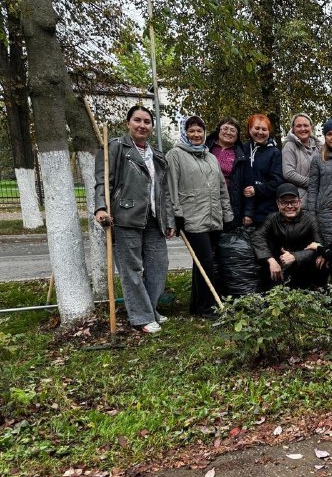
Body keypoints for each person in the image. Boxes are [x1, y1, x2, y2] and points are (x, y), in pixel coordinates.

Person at [93, 105, 175, 333]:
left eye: (147, 121)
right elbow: (103, 181)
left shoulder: (157, 155)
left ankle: (151, 309)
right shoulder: (116, 148)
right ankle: (141, 317)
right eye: (137, 120)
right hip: (124, 216)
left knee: (159, 265)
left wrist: (169, 221)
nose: (142, 125)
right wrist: (100, 207)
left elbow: (163, 191)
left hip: (153, 219)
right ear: (128, 123)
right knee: (131, 269)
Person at [166, 115, 234, 318]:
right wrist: (176, 215)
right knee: (204, 260)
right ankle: (208, 307)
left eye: (199, 131)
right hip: (192, 218)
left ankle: (197, 305)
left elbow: (222, 188)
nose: (196, 134)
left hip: (213, 218)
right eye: (192, 131)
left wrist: (227, 215)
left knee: (202, 262)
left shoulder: (210, 156)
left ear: (205, 133)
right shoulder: (175, 155)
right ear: (185, 133)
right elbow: (171, 188)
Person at [250, 183, 324, 289]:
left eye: (293, 202)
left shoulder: (310, 220)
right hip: (278, 270)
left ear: (299, 202)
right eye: (285, 203)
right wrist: (270, 260)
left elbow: (320, 246)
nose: (290, 206)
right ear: (278, 204)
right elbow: (257, 236)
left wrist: (296, 256)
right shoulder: (272, 218)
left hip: (304, 271)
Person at [206, 117, 249, 226]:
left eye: (233, 130)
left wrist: (248, 212)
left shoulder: (242, 154)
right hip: (207, 204)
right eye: (225, 128)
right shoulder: (205, 148)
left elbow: (246, 184)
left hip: (231, 204)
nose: (228, 132)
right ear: (218, 130)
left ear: (237, 135)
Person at [243, 113, 284, 227]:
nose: (260, 132)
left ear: (269, 131)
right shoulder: (242, 149)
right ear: (250, 129)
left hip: (266, 211)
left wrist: (257, 189)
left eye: (264, 129)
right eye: (256, 128)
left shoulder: (274, 153)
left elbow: (277, 181)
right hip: (243, 210)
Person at [282, 113, 321, 207]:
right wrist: (313, 183)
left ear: (311, 127)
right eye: (298, 126)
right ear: (293, 128)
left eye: (306, 125)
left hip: (319, 201)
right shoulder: (289, 146)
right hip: (300, 202)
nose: (303, 129)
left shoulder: (319, 147)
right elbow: (289, 174)